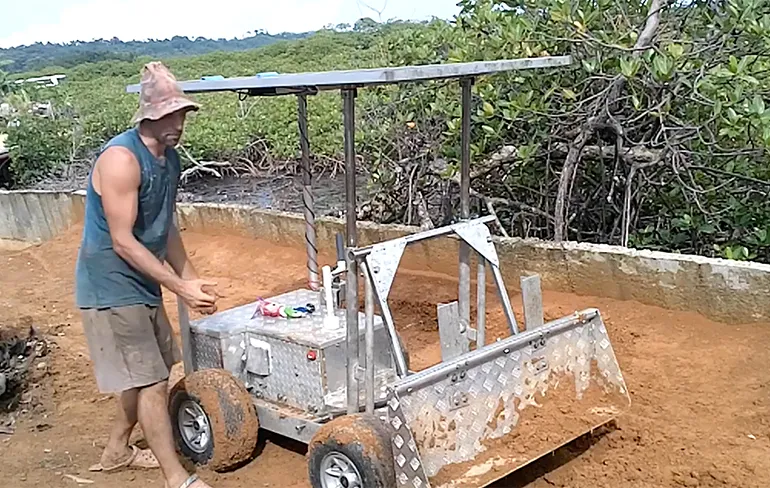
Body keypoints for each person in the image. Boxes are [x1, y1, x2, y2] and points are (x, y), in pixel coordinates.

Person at [75, 61, 217, 488]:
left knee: (145, 371)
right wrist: (178, 288)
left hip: (142, 280)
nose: (178, 124)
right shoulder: (121, 160)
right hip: (112, 285)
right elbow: (123, 240)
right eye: (168, 116)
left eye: (182, 115)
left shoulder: (168, 159)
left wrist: (191, 277)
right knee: (154, 379)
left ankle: (117, 450)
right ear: (148, 117)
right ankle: (177, 478)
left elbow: (163, 223)